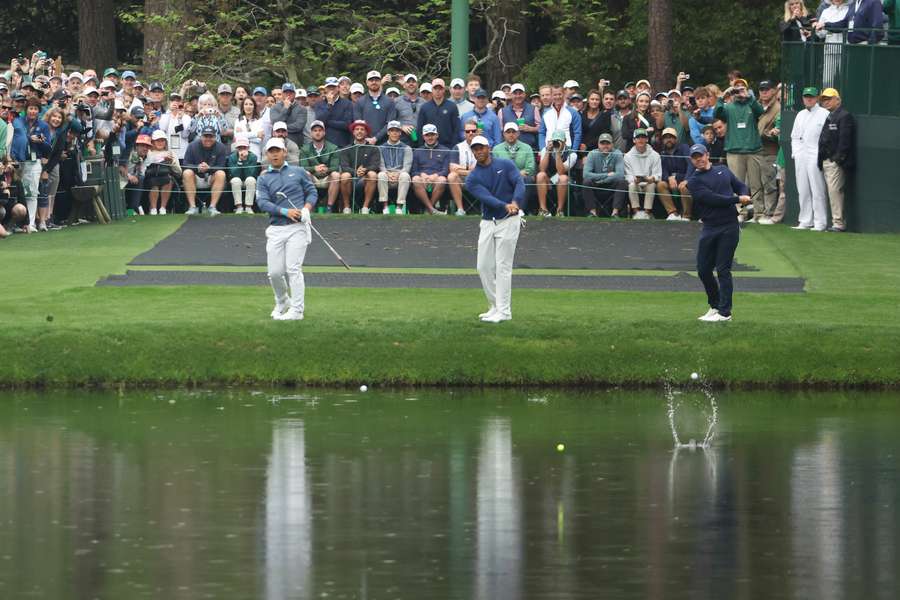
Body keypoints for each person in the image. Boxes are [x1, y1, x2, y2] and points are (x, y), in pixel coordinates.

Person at [686, 144, 752, 322]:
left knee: (723, 269)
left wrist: (744, 195)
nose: (698, 159)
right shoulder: (693, 182)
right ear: (692, 160)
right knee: (703, 270)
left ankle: (725, 313)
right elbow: (712, 199)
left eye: (701, 155)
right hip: (710, 227)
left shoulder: (723, 170)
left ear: (707, 155)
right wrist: (738, 199)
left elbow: (740, 185)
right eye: (694, 157)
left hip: (729, 226)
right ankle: (715, 306)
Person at [255, 137, 318, 321]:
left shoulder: (298, 172)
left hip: (297, 227)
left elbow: (312, 192)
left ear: (284, 152)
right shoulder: (263, 178)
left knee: (293, 269)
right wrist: (285, 211)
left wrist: (306, 208)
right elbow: (262, 203)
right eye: (271, 151)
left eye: (277, 150)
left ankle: (297, 310)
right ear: (267, 155)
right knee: (274, 273)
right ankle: (283, 301)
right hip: (276, 228)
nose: (274, 154)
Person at [464, 135, 525, 324]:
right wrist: (505, 205)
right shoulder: (472, 178)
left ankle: (504, 311)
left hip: (509, 222)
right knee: (482, 266)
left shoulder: (505, 165)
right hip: (488, 222)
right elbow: (486, 197)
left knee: (503, 267)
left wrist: (515, 202)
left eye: (481, 147)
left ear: (488, 147)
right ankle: (495, 305)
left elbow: (519, 183)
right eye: (475, 149)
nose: (478, 151)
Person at [713, 79, 764, 221]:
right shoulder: (729, 107)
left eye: (742, 88)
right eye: (737, 88)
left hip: (752, 150)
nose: (739, 91)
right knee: (736, 185)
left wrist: (749, 97)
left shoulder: (752, 104)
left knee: (755, 183)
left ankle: (759, 213)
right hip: (734, 151)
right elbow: (717, 113)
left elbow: (760, 112)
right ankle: (739, 213)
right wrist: (723, 96)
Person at [790, 86, 829, 231]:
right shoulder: (800, 114)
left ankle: (820, 222)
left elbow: (826, 138)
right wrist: (796, 153)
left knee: (817, 189)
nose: (809, 99)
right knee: (803, 188)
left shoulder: (824, 114)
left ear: (817, 97)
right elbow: (794, 136)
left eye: (811, 96)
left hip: (816, 155)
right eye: (806, 96)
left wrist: (820, 154)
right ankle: (805, 220)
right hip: (801, 155)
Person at [817, 88, 855, 232]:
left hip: (835, 162)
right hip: (826, 160)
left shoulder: (844, 116)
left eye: (829, 99)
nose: (826, 102)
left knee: (834, 191)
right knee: (831, 191)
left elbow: (845, 141)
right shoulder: (829, 116)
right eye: (824, 99)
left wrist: (837, 159)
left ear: (837, 100)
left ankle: (838, 223)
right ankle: (835, 221)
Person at [11, 98, 51, 232]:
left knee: (32, 192)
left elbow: (48, 147)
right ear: (26, 109)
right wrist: (30, 137)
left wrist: (40, 141)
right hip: (20, 162)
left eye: (35, 109)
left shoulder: (44, 125)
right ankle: (19, 223)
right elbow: (18, 136)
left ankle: (31, 223)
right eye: (30, 108)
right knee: (19, 192)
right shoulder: (19, 121)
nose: (33, 111)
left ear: (39, 111)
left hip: (35, 162)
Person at [182, 125, 229, 215]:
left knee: (221, 174)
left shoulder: (221, 147)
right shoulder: (192, 146)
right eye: (205, 136)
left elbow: (222, 166)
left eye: (211, 136)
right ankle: (192, 207)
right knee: (187, 173)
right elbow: (185, 164)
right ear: (201, 136)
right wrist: (198, 167)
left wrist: (209, 168)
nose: (208, 139)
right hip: (195, 177)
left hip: (212, 177)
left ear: (215, 137)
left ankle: (212, 207)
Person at [299, 119, 342, 213]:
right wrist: (314, 168)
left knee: (336, 175)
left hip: (327, 177)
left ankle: (329, 207)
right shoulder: (304, 149)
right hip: (313, 177)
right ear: (311, 133)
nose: (317, 133)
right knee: (305, 173)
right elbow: (302, 167)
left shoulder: (333, 148)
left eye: (320, 130)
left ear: (324, 132)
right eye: (315, 131)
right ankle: (310, 206)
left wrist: (326, 169)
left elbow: (335, 167)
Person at [492, 122, 536, 211]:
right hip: (503, 177)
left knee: (526, 179)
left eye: (513, 132)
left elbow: (530, 168)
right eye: (508, 132)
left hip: (522, 177)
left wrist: (517, 175)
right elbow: (494, 168)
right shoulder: (496, 149)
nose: (511, 134)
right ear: (503, 134)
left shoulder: (527, 148)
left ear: (518, 133)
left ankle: (519, 210)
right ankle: (503, 209)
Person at [410, 123, 452, 214]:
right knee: (415, 179)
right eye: (427, 135)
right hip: (422, 180)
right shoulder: (417, 151)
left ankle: (429, 209)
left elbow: (446, 170)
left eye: (432, 135)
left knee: (442, 180)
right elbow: (413, 171)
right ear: (423, 136)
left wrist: (435, 176)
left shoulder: (446, 151)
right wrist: (422, 175)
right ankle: (431, 209)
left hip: (437, 179)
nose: (430, 137)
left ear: (437, 135)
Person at [582, 133, 627, 218]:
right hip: (596, 186)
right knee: (586, 182)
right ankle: (592, 212)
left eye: (608, 143)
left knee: (622, 182)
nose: (605, 146)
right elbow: (586, 174)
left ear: (612, 144)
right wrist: (606, 175)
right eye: (602, 143)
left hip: (611, 185)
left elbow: (620, 174)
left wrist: (602, 180)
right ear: (598, 144)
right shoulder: (592, 154)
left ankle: (615, 213)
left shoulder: (617, 153)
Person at [340, 119, 380, 213]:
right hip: (351, 177)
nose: (359, 131)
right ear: (353, 132)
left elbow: (375, 165)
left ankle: (365, 208)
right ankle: (347, 207)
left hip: (366, 178)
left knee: (373, 174)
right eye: (357, 129)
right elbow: (344, 166)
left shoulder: (373, 148)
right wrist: (355, 172)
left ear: (366, 132)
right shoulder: (346, 149)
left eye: (362, 129)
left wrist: (365, 170)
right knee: (344, 175)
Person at [624, 128, 662, 219]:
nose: (640, 140)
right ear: (634, 140)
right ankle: (636, 213)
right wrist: (634, 179)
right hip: (635, 183)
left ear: (647, 140)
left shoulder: (655, 155)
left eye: (643, 137)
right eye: (638, 137)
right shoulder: (627, 156)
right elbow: (627, 175)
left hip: (648, 183)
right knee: (631, 185)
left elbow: (658, 174)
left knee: (652, 185)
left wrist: (651, 179)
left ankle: (646, 213)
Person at [377, 120, 413, 214]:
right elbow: (381, 165)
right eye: (392, 130)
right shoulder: (380, 148)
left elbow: (407, 166)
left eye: (397, 131)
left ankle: (399, 207)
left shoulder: (407, 148)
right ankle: (385, 207)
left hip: (400, 176)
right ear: (388, 132)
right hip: (387, 176)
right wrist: (388, 173)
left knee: (405, 175)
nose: (394, 133)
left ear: (400, 132)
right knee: (381, 175)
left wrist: (397, 174)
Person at [657, 128, 692, 220]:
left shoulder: (684, 147)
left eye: (671, 137)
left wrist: (686, 180)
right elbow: (663, 170)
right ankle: (673, 213)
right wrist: (669, 178)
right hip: (672, 180)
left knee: (683, 187)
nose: (668, 139)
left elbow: (691, 165)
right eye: (665, 138)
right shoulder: (662, 152)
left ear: (676, 139)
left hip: (685, 178)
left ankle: (686, 215)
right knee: (660, 185)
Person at [354, 70, 397, 145]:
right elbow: (358, 123)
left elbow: (390, 123)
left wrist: (376, 138)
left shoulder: (389, 101)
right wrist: (366, 138)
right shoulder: (360, 102)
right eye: (371, 80)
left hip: (384, 143)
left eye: (376, 80)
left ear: (380, 82)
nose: (374, 82)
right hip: (364, 142)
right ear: (367, 82)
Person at [144, 130, 181, 214]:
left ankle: (163, 208)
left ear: (165, 142)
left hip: (167, 177)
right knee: (154, 183)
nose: (160, 142)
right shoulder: (148, 152)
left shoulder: (171, 153)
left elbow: (179, 172)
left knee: (167, 180)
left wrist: (171, 162)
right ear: (153, 142)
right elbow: (145, 165)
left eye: (162, 140)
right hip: (151, 177)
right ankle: (153, 209)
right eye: (157, 140)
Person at [416, 78, 460, 148]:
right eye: (435, 88)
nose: (438, 91)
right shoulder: (424, 107)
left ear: (444, 90)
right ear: (432, 90)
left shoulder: (452, 106)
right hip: (428, 146)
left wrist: (453, 146)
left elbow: (456, 129)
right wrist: (422, 147)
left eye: (440, 88)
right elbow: (420, 129)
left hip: (448, 146)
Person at [447, 119, 479, 216]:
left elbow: (483, 168)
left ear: (477, 132)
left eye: (473, 131)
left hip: (479, 179)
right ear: (464, 133)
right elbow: (452, 168)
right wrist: (469, 169)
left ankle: (486, 209)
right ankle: (460, 209)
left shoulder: (484, 146)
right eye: (467, 131)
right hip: (461, 180)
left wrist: (460, 168)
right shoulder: (457, 147)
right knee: (452, 176)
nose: (470, 133)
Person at [538, 84, 582, 152]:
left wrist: (573, 152)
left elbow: (577, 133)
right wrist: (542, 149)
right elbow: (542, 132)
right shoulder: (546, 113)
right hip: (548, 150)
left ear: (564, 94)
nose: (557, 97)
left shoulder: (573, 112)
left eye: (560, 94)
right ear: (552, 96)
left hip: (566, 150)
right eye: (555, 95)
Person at [818, 0, 885, 44]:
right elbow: (843, 23)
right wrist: (825, 25)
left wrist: (870, 44)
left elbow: (877, 26)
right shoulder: (853, 4)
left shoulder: (873, 2)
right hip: (852, 46)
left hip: (865, 46)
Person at [269, 83, 314, 147]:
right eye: (286, 92)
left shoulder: (302, 109)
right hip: (277, 144)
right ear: (282, 94)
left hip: (296, 143)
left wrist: (280, 129)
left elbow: (298, 126)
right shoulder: (274, 107)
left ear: (295, 94)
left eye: (291, 92)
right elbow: (275, 123)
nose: (288, 94)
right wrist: (285, 108)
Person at [315, 77, 353, 148]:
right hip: (325, 145)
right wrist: (329, 105)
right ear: (325, 89)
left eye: (333, 87)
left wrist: (328, 122)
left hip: (343, 144)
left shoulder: (347, 104)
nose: (331, 89)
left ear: (338, 88)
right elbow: (319, 122)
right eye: (329, 87)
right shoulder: (319, 104)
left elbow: (347, 125)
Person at [227, 135, 260, 214]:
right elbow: (234, 174)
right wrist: (239, 161)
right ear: (236, 148)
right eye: (240, 147)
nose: (242, 150)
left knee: (251, 180)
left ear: (248, 148)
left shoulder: (253, 157)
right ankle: (239, 207)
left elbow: (251, 174)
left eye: (244, 147)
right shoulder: (231, 157)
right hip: (237, 179)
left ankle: (248, 207)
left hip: (248, 179)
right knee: (235, 180)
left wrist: (244, 161)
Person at [500, 83, 538, 150]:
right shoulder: (502, 111)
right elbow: (500, 132)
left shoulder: (534, 109)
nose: (518, 96)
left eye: (520, 93)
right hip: (508, 150)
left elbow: (541, 129)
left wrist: (530, 129)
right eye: (515, 93)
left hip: (530, 149)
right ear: (511, 95)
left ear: (524, 94)